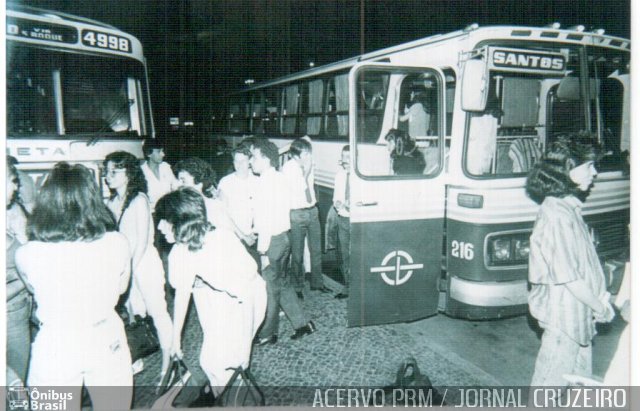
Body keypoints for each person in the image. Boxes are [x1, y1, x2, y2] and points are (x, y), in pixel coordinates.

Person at [15, 163, 133, 409]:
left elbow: (33, 289)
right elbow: (122, 289)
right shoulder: (117, 242)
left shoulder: (27, 253)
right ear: (92, 199)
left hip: (56, 343)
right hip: (105, 337)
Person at [156, 188, 267, 393]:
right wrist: (175, 339)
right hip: (219, 297)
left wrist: (246, 350)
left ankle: (235, 398)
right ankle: (225, 398)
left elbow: (247, 297)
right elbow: (181, 295)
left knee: (224, 362)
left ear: (180, 220)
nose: (159, 226)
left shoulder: (220, 243)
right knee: (210, 361)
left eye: (163, 219)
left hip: (249, 298)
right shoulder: (181, 250)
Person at [525, 138, 615, 388]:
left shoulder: (568, 209)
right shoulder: (555, 216)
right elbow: (570, 277)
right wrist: (600, 307)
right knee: (547, 389)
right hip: (563, 319)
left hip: (577, 316)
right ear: (567, 168)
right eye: (588, 166)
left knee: (578, 384)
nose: (594, 172)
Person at [104, 151, 173, 378]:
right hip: (126, 266)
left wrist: (129, 270)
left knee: (158, 312)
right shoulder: (112, 202)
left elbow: (142, 241)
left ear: (129, 173)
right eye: (107, 171)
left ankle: (169, 364)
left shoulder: (140, 200)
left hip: (144, 264)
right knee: (132, 315)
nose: (109, 175)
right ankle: (137, 356)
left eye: (115, 170)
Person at [249, 139, 316, 345]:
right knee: (283, 283)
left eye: (254, 157)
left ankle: (268, 333)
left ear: (266, 159)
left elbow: (266, 219)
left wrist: (262, 252)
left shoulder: (265, 183)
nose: (251, 161)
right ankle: (303, 324)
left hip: (272, 241)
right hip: (283, 238)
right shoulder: (278, 178)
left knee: (270, 288)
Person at [282, 137, 330, 298]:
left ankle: (317, 283)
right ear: (295, 156)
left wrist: (307, 161)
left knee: (316, 250)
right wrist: (307, 169)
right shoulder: (288, 168)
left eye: (309, 153)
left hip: (312, 210)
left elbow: (306, 138)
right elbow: (300, 187)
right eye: (305, 154)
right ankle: (297, 286)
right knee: (297, 253)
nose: (309, 157)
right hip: (297, 213)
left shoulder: (305, 162)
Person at [6, 158, 32, 386]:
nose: (16, 186)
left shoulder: (12, 211)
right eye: (11, 180)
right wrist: (24, 281)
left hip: (17, 314)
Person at [173, 157, 245, 236]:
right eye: (178, 180)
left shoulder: (213, 206)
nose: (178, 185)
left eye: (183, 181)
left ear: (199, 182)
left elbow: (226, 235)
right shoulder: (180, 206)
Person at [217, 144, 259, 258]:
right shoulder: (226, 182)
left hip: (254, 237)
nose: (239, 165)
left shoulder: (258, 181)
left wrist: (255, 232)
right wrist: (243, 236)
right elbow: (223, 214)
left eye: (243, 161)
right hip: (233, 237)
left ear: (250, 161)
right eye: (236, 161)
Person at [332, 145, 351, 299]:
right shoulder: (339, 175)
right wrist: (338, 203)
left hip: (359, 221)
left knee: (358, 254)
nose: (346, 161)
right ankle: (347, 287)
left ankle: (361, 287)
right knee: (345, 255)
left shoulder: (363, 174)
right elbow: (336, 197)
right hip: (343, 218)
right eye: (344, 157)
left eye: (349, 157)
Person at [141, 138, 179, 210]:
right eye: (159, 151)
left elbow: (176, 186)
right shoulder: (141, 172)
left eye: (162, 151)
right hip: (152, 211)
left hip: (169, 208)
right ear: (149, 154)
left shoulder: (165, 167)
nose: (163, 154)